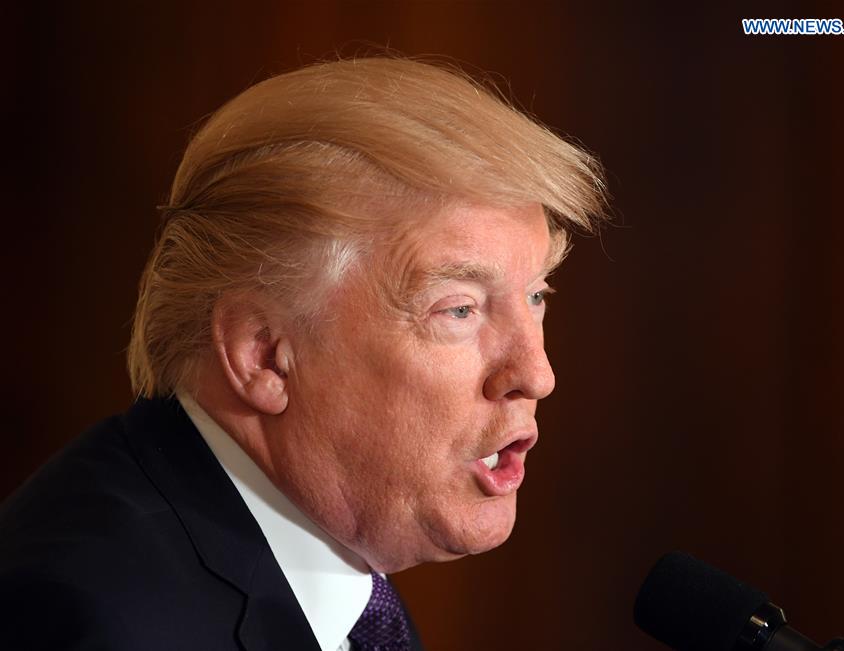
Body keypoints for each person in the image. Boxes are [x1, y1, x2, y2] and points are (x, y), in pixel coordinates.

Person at [0, 56, 606, 650]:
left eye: (535, 295)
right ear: (262, 355)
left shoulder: (340, 589)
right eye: (458, 310)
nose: (536, 374)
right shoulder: (99, 618)